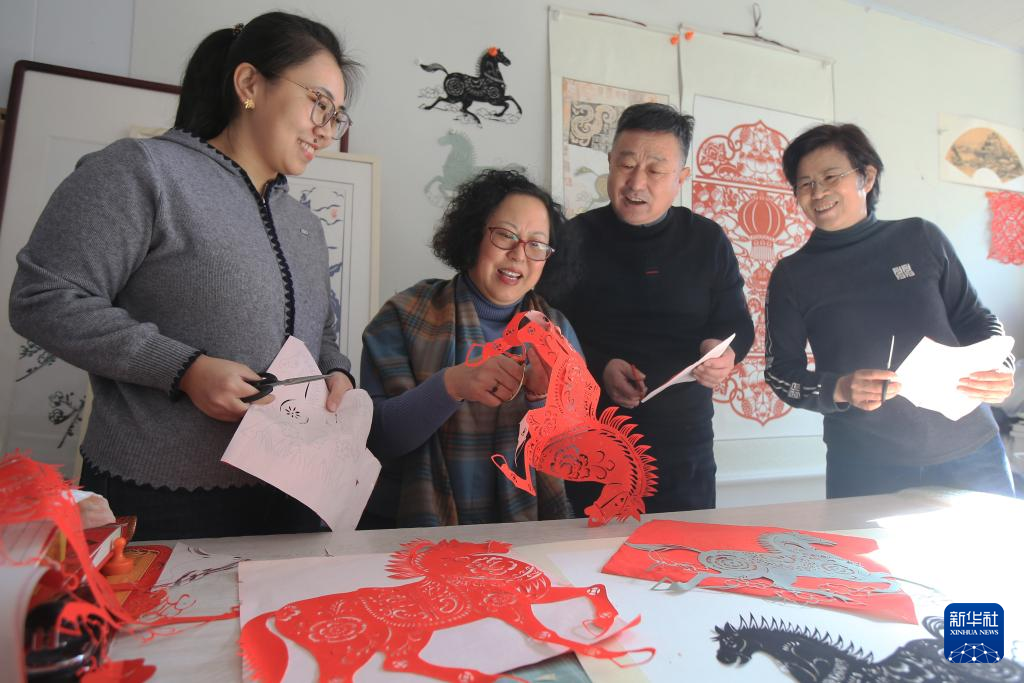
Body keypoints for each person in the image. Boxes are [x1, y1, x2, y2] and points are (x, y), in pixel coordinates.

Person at [9, 12, 361, 539]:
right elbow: (44, 296)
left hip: (296, 492)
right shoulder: (143, 172)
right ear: (250, 84)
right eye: (319, 103)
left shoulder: (304, 223)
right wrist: (184, 369)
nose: (326, 129)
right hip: (165, 495)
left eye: (337, 115)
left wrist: (337, 373)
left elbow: (320, 334)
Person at [765, 123, 1016, 498]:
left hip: (970, 451)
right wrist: (840, 388)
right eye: (805, 184)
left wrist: (1001, 367)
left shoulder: (919, 237)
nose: (818, 192)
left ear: (866, 177)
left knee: (994, 539)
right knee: (859, 543)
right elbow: (780, 373)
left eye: (831, 177)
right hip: (864, 464)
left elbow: (976, 319)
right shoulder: (792, 275)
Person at [538, 103, 755, 514]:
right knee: (589, 548)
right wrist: (599, 366)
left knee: (684, 548)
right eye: (625, 165)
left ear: (680, 179)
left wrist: (724, 352)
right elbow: (546, 331)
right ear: (610, 163)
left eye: (655, 170)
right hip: (590, 441)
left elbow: (737, 323)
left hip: (683, 444)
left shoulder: (706, 241)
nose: (636, 182)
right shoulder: (574, 238)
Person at [360, 170, 579, 528]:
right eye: (505, 235)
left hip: (526, 537)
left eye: (536, 244)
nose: (518, 254)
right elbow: (376, 438)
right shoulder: (403, 315)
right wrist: (452, 385)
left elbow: (574, 457)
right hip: (407, 536)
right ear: (475, 234)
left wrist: (540, 400)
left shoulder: (557, 332)